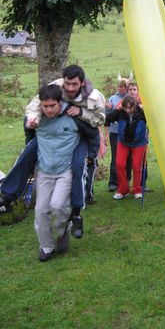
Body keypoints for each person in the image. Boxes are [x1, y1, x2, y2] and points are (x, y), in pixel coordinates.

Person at [0, 65, 105, 238]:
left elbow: (99, 121)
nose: (70, 88)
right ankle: (8, 195)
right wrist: (32, 121)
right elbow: (34, 107)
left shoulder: (94, 97)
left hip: (80, 132)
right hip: (50, 134)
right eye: (68, 83)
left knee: (78, 165)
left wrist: (81, 112)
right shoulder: (54, 88)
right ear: (63, 80)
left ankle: (77, 212)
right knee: (27, 155)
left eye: (75, 85)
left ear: (82, 83)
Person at [34, 84, 100, 262]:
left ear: (59, 103)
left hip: (65, 171)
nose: (48, 110)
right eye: (45, 106)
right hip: (44, 171)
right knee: (41, 210)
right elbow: (29, 140)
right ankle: (46, 247)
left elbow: (93, 134)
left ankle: (63, 231)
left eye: (52, 106)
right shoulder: (37, 119)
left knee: (57, 205)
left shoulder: (74, 117)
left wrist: (91, 155)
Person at [106, 95, 148, 200]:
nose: (127, 110)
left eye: (130, 108)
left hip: (139, 143)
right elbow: (108, 118)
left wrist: (146, 109)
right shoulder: (120, 112)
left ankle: (137, 190)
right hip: (123, 142)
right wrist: (116, 109)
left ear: (135, 106)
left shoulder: (141, 112)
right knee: (119, 164)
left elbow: (154, 119)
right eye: (125, 108)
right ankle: (123, 190)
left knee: (136, 166)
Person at [105, 78, 128, 191]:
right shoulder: (113, 99)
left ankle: (125, 180)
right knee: (115, 156)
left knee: (127, 157)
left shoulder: (130, 98)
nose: (120, 88)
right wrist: (107, 109)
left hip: (127, 132)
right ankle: (112, 182)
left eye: (122, 86)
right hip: (114, 132)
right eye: (119, 86)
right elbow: (107, 117)